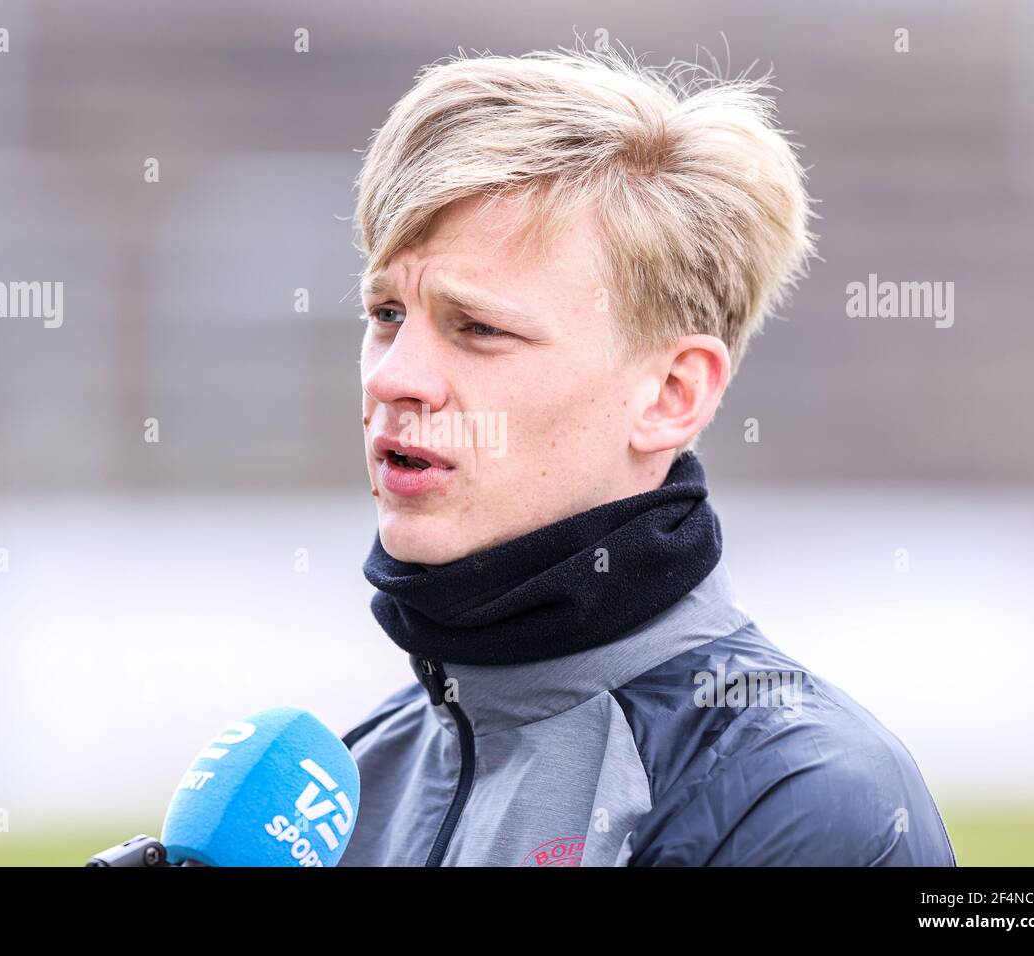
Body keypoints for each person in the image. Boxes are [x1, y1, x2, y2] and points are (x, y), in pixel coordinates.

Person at [338, 45, 955, 866]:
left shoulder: (799, 800)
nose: (394, 376)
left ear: (670, 395)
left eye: (479, 328)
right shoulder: (352, 781)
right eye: (385, 314)